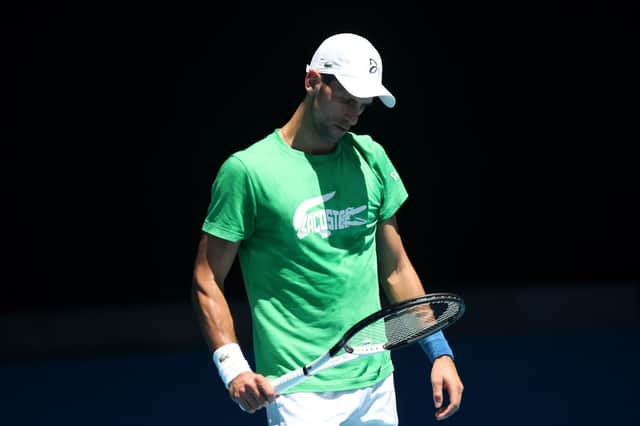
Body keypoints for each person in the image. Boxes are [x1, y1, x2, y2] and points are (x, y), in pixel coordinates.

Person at [191, 32, 464, 425]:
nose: (354, 113)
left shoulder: (372, 159)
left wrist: (438, 351)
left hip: (376, 385)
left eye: (363, 105)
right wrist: (233, 368)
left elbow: (396, 268)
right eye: (346, 99)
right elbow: (207, 278)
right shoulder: (247, 172)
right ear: (313, 81)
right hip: (298, 395)